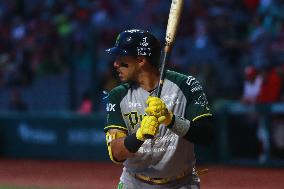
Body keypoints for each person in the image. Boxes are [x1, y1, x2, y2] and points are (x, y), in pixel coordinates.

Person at [104, 29, 213, 189]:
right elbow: (116, 153)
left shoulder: (186, 85)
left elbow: (206, 135)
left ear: (141, 60)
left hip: (182, 184)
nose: (115, 64)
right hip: (134, 183)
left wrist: (171, 121)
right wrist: (139, 136)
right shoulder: (118, 95)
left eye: (121, 58)